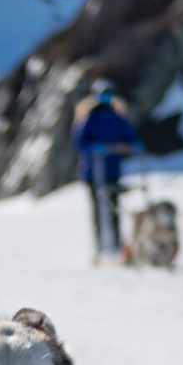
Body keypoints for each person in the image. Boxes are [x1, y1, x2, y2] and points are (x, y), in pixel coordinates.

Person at [73, 79, 141, 261]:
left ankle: (117, 246)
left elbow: (129, 136)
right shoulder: (87, 117)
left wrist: (132, 145)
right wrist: (94, 148)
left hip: (113, 170)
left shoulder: (117, 117)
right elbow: (80, 142)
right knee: (98, 210)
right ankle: (100, 247)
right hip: (94, 171)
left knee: (114, 210)